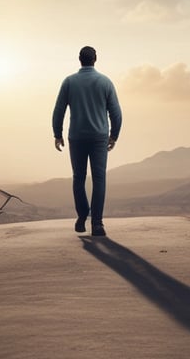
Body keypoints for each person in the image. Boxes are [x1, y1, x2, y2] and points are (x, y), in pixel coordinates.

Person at [52, 46, 122, 237]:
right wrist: (114, 135)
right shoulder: (105, 82)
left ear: (79, 59)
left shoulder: (69, 82)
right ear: (95, 59)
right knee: (99, 179)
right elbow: (116, 113)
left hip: (77, 137)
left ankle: (82, 217)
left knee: (79, 178)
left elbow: (59, 110)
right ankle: (97, 224)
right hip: (99, 137)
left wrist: (57, 134)